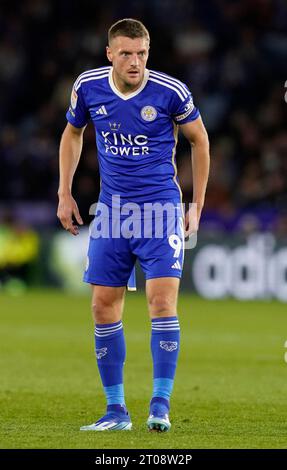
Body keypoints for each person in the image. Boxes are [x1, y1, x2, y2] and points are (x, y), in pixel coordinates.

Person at [57, 18, 210, 432]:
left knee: (161, 303)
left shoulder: (170, 91)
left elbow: (200, 140)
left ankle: (160, 404)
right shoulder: (88, 86)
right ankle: (116, 411)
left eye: (141, 53)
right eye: (126, 53)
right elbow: (73, 133)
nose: (135, 61)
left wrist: (196, 203)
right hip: (111, 212)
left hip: (161, 211)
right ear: (110, 53)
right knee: (102, 307)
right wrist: (64, 192)